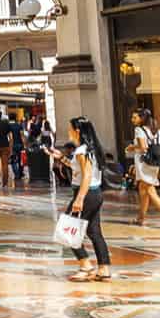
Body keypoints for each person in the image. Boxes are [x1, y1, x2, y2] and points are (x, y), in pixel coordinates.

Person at [63, 115, 112, 282]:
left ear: (77, 131)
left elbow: (87, 175)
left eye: (70, 129)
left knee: (67, 229)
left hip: (86, 193)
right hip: (95, 193)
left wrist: (79, 199)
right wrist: (61, 158)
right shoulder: (92, 149)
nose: (68, 132)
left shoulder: (81, 151)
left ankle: (85, 265)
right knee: (94, 231)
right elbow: (79, 170)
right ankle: (104, 268)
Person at [127, 107, 160, 228]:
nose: (132, 119)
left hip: (144, 163)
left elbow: (143, 147)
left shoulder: (139, 130)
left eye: (135, 117)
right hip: (155, 162)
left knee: (150, 190)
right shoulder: (158, 132)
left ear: (142, 118)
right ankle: (141, 218)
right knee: (143, 191)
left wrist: (132, 147)